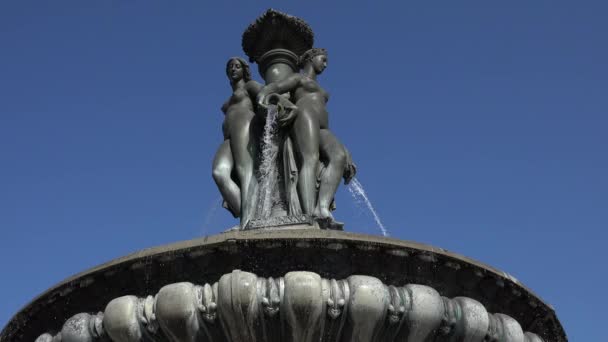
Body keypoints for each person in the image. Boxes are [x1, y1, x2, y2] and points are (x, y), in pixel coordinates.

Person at [257, 48, 355, 225]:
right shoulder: (299, 78)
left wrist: (347, 150)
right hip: (305, 114)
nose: (325, 64)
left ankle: (322, 207)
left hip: (323, 127)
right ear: (310, 58)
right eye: (322, 60)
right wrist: (263, 97)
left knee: (338, 156)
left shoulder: (323, 90)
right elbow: (276, 87)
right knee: (310, 159)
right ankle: (309, 213)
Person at [212, 57, 262, 226]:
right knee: (219, 172)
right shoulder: (226, 103)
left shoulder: (250, 86)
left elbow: (266, 93)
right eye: (230, 67)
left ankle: (247, 220)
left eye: (237, 66)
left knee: (244, 168)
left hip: (244, 124)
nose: (233, 69)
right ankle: (248, 216)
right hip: (228, 135)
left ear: (244, 70)